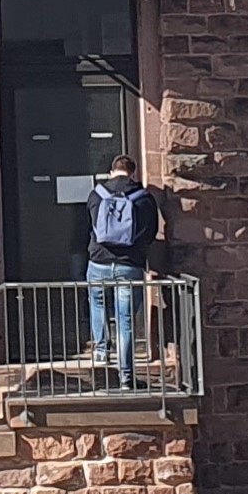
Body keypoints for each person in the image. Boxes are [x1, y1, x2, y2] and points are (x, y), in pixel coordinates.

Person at [86, 155, 163, 388]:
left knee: (97, 305)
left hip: (98, 262)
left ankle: (101, 354)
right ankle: (127, 377)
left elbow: (90, 224)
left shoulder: (97, 194)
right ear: (133, 174)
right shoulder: (144, 198)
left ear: (112, 172)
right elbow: (151, 233)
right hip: (129, 265)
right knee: (125, 320)